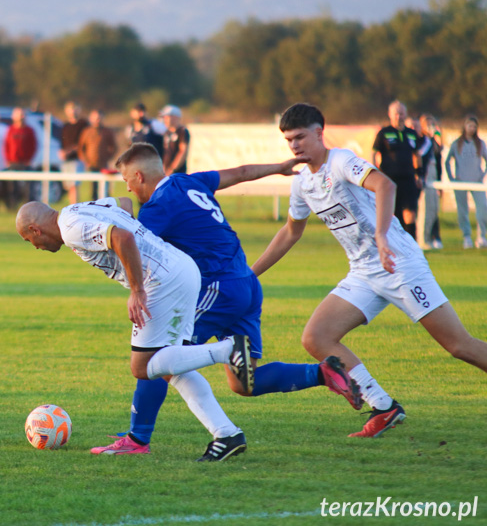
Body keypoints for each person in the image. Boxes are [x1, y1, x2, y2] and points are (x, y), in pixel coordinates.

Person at [94, 143, 361, 455]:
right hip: (245, 284)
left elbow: (136, 249)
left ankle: (137, 440)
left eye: (127, 180)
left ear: (139, 176)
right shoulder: (190, 181)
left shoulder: (156, 208)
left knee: (158, 358)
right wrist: (278, 167)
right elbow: (242, 173)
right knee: (243, 382)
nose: (126, 186)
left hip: (216, 288)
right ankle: (322, 372)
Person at [252, 102, 487, 438]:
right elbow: (291, 231)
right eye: (289, 140)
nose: (294, 146)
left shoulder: (342, 160)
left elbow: (385, 186)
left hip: (400, 265)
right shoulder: (302, 182)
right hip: (363, 271)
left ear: (320, 132)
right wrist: (250, 273)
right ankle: (384, 406)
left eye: (300, 137)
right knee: (316, 337)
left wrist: (381, 235)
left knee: (458, 346)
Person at [16, 199, 253, 461]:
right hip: (181, 269)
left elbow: (122, 236)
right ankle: (227, 434)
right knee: (169, 368)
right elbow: (124, 203)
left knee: (143, 367)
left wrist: (137, 289)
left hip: (160, 282)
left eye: (29, 240)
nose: (35, 247)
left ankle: (228, 349)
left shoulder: (70, 228)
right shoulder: (76, 209)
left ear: (35, 229)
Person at [372, 100, 421, 239]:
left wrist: (419, 174)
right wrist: (375, 173)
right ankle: (395, 244)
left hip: (408, 179)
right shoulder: (384, 133)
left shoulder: (411, 133)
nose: (399, 116)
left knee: (410, 212)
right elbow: (374, 153)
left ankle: (412, 244)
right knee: (393, 214)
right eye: (396, 113)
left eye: (402, 113)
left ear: (406, 114)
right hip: (389, 179)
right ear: (390, 114)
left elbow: (417, 155)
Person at [444, 115, 487, 249]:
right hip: (461, 182)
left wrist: (482, 175)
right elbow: (447, 161)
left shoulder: (480, 144)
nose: (472, 129)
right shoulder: (457, 143)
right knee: (462, 210)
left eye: (474, 126)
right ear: (465, 126)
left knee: (482, 208)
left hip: (476, 182)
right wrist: (452, 179)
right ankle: (466, 236)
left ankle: (482, 236)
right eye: (469, 126)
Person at [416, 114, 443, 250]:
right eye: (428, 124)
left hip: (434, 175)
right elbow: (420, 154)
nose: (431, 127)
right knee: (425, 210)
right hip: (426, 176)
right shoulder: (422, 140)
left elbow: (439, 156)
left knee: (433, 209)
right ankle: (423, 240)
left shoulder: (433, 141)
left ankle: (429, 238)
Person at [77, 109, 117, 200]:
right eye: (95, 118)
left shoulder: (107, 132)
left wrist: (108, 157)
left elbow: (114, 147)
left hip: (103, 165)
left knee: (105, 190)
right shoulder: (86, 132)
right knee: (94, 190)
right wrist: (86, 161)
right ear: (91, 119)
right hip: (91, 166)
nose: (97, 120)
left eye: (99, 118)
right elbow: (81, 148)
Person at [3, 107, 37, 208]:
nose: (22, 117)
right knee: (12, 187)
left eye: (23, 115)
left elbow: (33, 145)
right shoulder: (10, 130)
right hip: (13, 163)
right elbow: (6, 145)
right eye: (19, 114)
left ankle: (28, 207)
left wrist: (29, 159)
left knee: (28, 187)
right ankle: (13, 206)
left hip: (25, 163)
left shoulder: (29, 130)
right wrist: (8, 159)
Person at [60, 102, 88, 204]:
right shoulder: (65, 126)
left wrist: (71, 151)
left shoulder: (83, 124)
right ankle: (72, 206)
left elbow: (82, 142)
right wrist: (62, 152)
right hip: (66, 160)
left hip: (77, 159)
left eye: (74, 108)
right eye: (70, 109)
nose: (72, 111)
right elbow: (62, 142)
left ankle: (75, 206)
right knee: (68, 186)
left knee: (74, 185)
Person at [159, 105, 190, 175]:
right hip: (166, 172)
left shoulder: (182, 132)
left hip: (177, 173)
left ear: (175, 117)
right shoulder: (167, 133)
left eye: (167, 117)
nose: (164, 120)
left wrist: (171, 169)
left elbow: (182, 151)